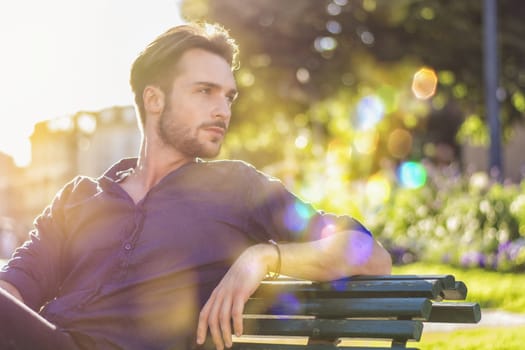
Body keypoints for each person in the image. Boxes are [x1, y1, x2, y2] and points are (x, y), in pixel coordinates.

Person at [0, 22, 392, 350]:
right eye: (205, 91)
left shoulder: (237, 187)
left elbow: (370, 256)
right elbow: (16, 287)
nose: (223, 110)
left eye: (229, 96)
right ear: (154, 99)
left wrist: (265, 257)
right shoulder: (79, 197)